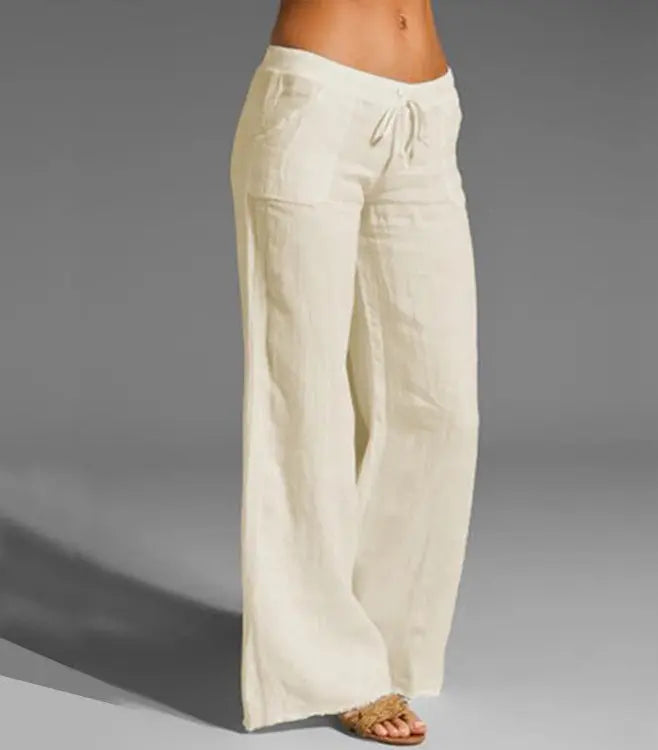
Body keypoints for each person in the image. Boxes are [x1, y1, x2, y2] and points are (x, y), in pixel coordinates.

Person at [229, 0, 479, 743]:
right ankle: (331, 667)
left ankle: (384, 640)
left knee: (439, 406)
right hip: (315, 106)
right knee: (304, 403)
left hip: (427, 114)